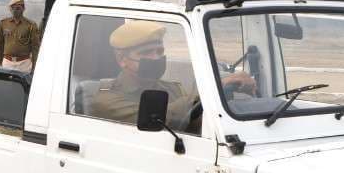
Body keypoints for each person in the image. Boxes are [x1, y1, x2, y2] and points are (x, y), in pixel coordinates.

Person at [89, 19, 253, 131]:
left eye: (159, 51)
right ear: (122, 59)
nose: (156, 58)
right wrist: (217, 87)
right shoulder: (106, 100)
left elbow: (194, 122)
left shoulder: (172, 88)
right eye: (146, 53)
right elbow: (160, 119)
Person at [0, 0, 41, 72]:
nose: (15, 10)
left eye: (18, 8)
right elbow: (0, 44)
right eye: (13, 8)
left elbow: (35, 48)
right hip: (7, 62)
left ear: (23, 9)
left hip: (24, 63)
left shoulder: (31, 25)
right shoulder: (3, 23)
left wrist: (34, 67)